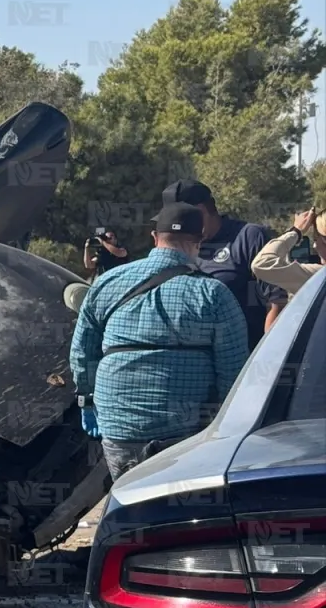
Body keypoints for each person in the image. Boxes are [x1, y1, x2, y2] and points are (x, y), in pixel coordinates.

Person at [70, 203, 249, 482]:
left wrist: (87, 402)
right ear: (199, 241)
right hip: (185, 432)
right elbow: (233, 372)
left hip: (119, 427)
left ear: (155, 237)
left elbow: (82, 352)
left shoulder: (106, 282)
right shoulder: (213, 294)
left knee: (132, 503)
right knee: (180, 513)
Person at [151, 179, 288, 352]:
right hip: (189, 358)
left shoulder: (248, 237)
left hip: (243, 357)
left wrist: (268, 355)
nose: (176, 230)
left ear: (201, 211)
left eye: (182, 219)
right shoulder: (179, 244)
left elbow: (276, 302)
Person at [251, 208, 325, 298]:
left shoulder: (319, 276)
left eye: (316, 238)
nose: (314, 246)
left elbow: (262, 264)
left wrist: (296, 231)